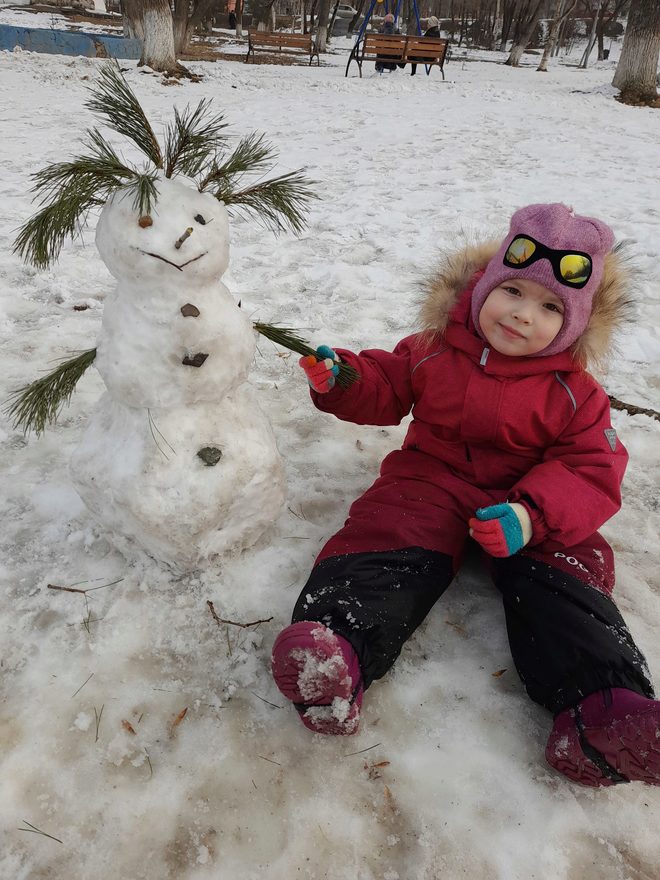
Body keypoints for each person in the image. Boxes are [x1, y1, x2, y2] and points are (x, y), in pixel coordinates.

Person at [271, 203, 660, 788]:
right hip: (432, 480)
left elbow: (591, 467)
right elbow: (386, 385)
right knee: (387, 531)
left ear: (576, 324)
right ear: (483, 287)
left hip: (529, 506)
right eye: (514, 292)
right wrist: (346, 380)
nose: (524, 316)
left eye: (551, 307)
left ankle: (603, 710)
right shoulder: (433, 348)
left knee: (568, 577)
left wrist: (533, 516)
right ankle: (337, 646)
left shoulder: (576, 393)